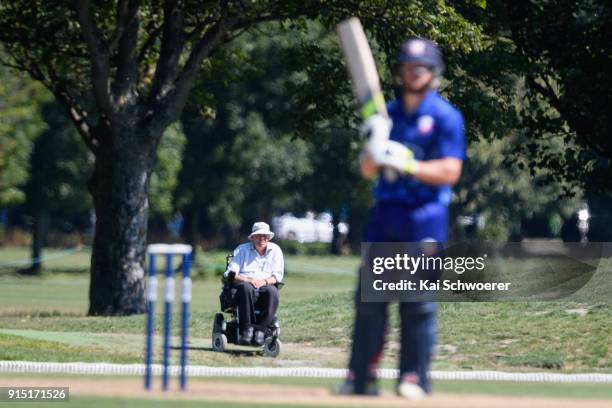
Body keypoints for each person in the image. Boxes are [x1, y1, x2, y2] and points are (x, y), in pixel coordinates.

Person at [339, 38, 466, 399]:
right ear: (400, 72)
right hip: (386, 214)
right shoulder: (387, 115)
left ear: (433, 73)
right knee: (369, 301)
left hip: (424, 217)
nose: (414, 73)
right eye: (409, 67)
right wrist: (373, 146)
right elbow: (367, 170)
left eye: (421, 67)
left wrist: (407, 162)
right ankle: (360, 378)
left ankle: (414, 377)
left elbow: (450, 171)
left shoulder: (446, 118)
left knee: (417, 301)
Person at [225, 221, 284, 346]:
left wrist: (264, 281)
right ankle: (247, 330)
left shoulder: (276, 250)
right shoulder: (242, 250)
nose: (262, 238)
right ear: (252, 237)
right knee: (246, 288)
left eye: (265, 236)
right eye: (259, 235)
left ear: (269, 237)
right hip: (245, 282)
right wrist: (249, 280)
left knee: (272, 291)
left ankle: (260, 331)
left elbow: (277, 275)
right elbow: (230, 274)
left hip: (266, 283)